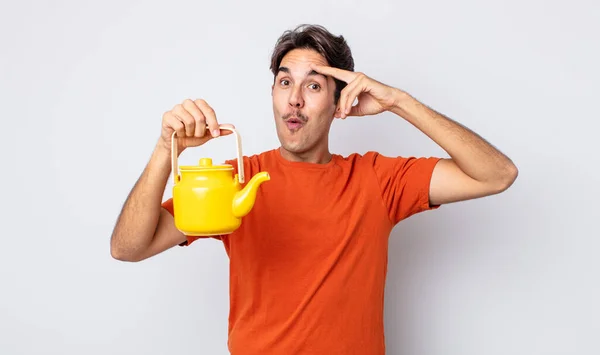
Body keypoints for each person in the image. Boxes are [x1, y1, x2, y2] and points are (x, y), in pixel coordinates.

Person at [110, 24, 518, 354]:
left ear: (341, 102)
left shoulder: (377, 179)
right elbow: (128, 247)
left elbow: (496, 174)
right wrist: (165, 149)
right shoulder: (232, 182)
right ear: (272, 94)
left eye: (315, 86)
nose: (295, 101)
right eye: (285, 82)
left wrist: (398, 101)